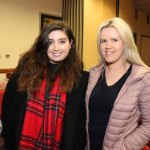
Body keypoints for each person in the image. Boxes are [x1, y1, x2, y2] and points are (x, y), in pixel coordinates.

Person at [2, 21, 89, 150]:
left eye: (62, 41)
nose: (56, 48)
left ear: (71, 44)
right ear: (43, 45)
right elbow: (8, 106)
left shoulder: (81, 79)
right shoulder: (25, 71)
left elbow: (81, 121)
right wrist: (9, 135)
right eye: (50, 42)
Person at [85, 17, 150, 150]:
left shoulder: (142, 77)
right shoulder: (92, 74)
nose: (108, 46)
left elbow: (148, 125)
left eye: (114, 40)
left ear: (125, 42)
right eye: (103, 41)